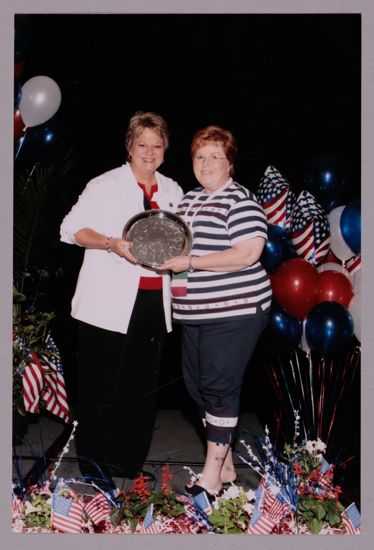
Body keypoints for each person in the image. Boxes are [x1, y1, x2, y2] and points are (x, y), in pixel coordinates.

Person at [60, 111, 184, 487]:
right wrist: (111, 243)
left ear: (165, 150)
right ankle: (96, 468)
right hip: (106, 304)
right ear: (129, 147)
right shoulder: (104, 184)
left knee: (140, 390)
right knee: (101, 388)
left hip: (152, 303)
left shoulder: (173, 190)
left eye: (157, 145)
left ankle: (128, 464)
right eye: (142, 144)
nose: (149, 152)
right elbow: (70, 228)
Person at [160, 125, 272, 498]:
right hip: (194, 314)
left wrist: (192, 260)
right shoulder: (187, 201)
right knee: (197, 389)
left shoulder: (240, 200)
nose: (206, 164)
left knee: (219, 388)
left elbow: (247, 253)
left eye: (215, 157)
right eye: (199, 156)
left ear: (230, 163)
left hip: (235, 311)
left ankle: (209, 479)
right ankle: (224, 467)